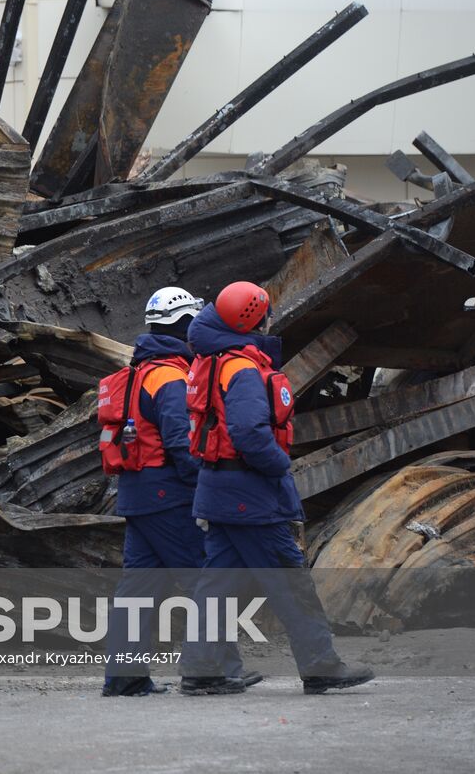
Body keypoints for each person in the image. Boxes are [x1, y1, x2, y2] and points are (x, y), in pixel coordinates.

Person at [179, 281, 374, 696]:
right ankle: (321, 665)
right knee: (290, 581)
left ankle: (203, 670)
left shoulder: (213, 361)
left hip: (217, 488)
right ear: (254, 319)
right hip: (250, 492)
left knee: (217, 584)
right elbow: (249, 432)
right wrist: (279, 464)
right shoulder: (244, 369)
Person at [99, 287, 246, 696]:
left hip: (136, 494)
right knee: (205, 579)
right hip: (168, 495)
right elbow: (182, 444)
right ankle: (215, 670)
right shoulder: (171, 377)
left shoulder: (137, 373)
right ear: (185, 325)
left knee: (137, 590)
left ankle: (124, 680)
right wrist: (208, 490)